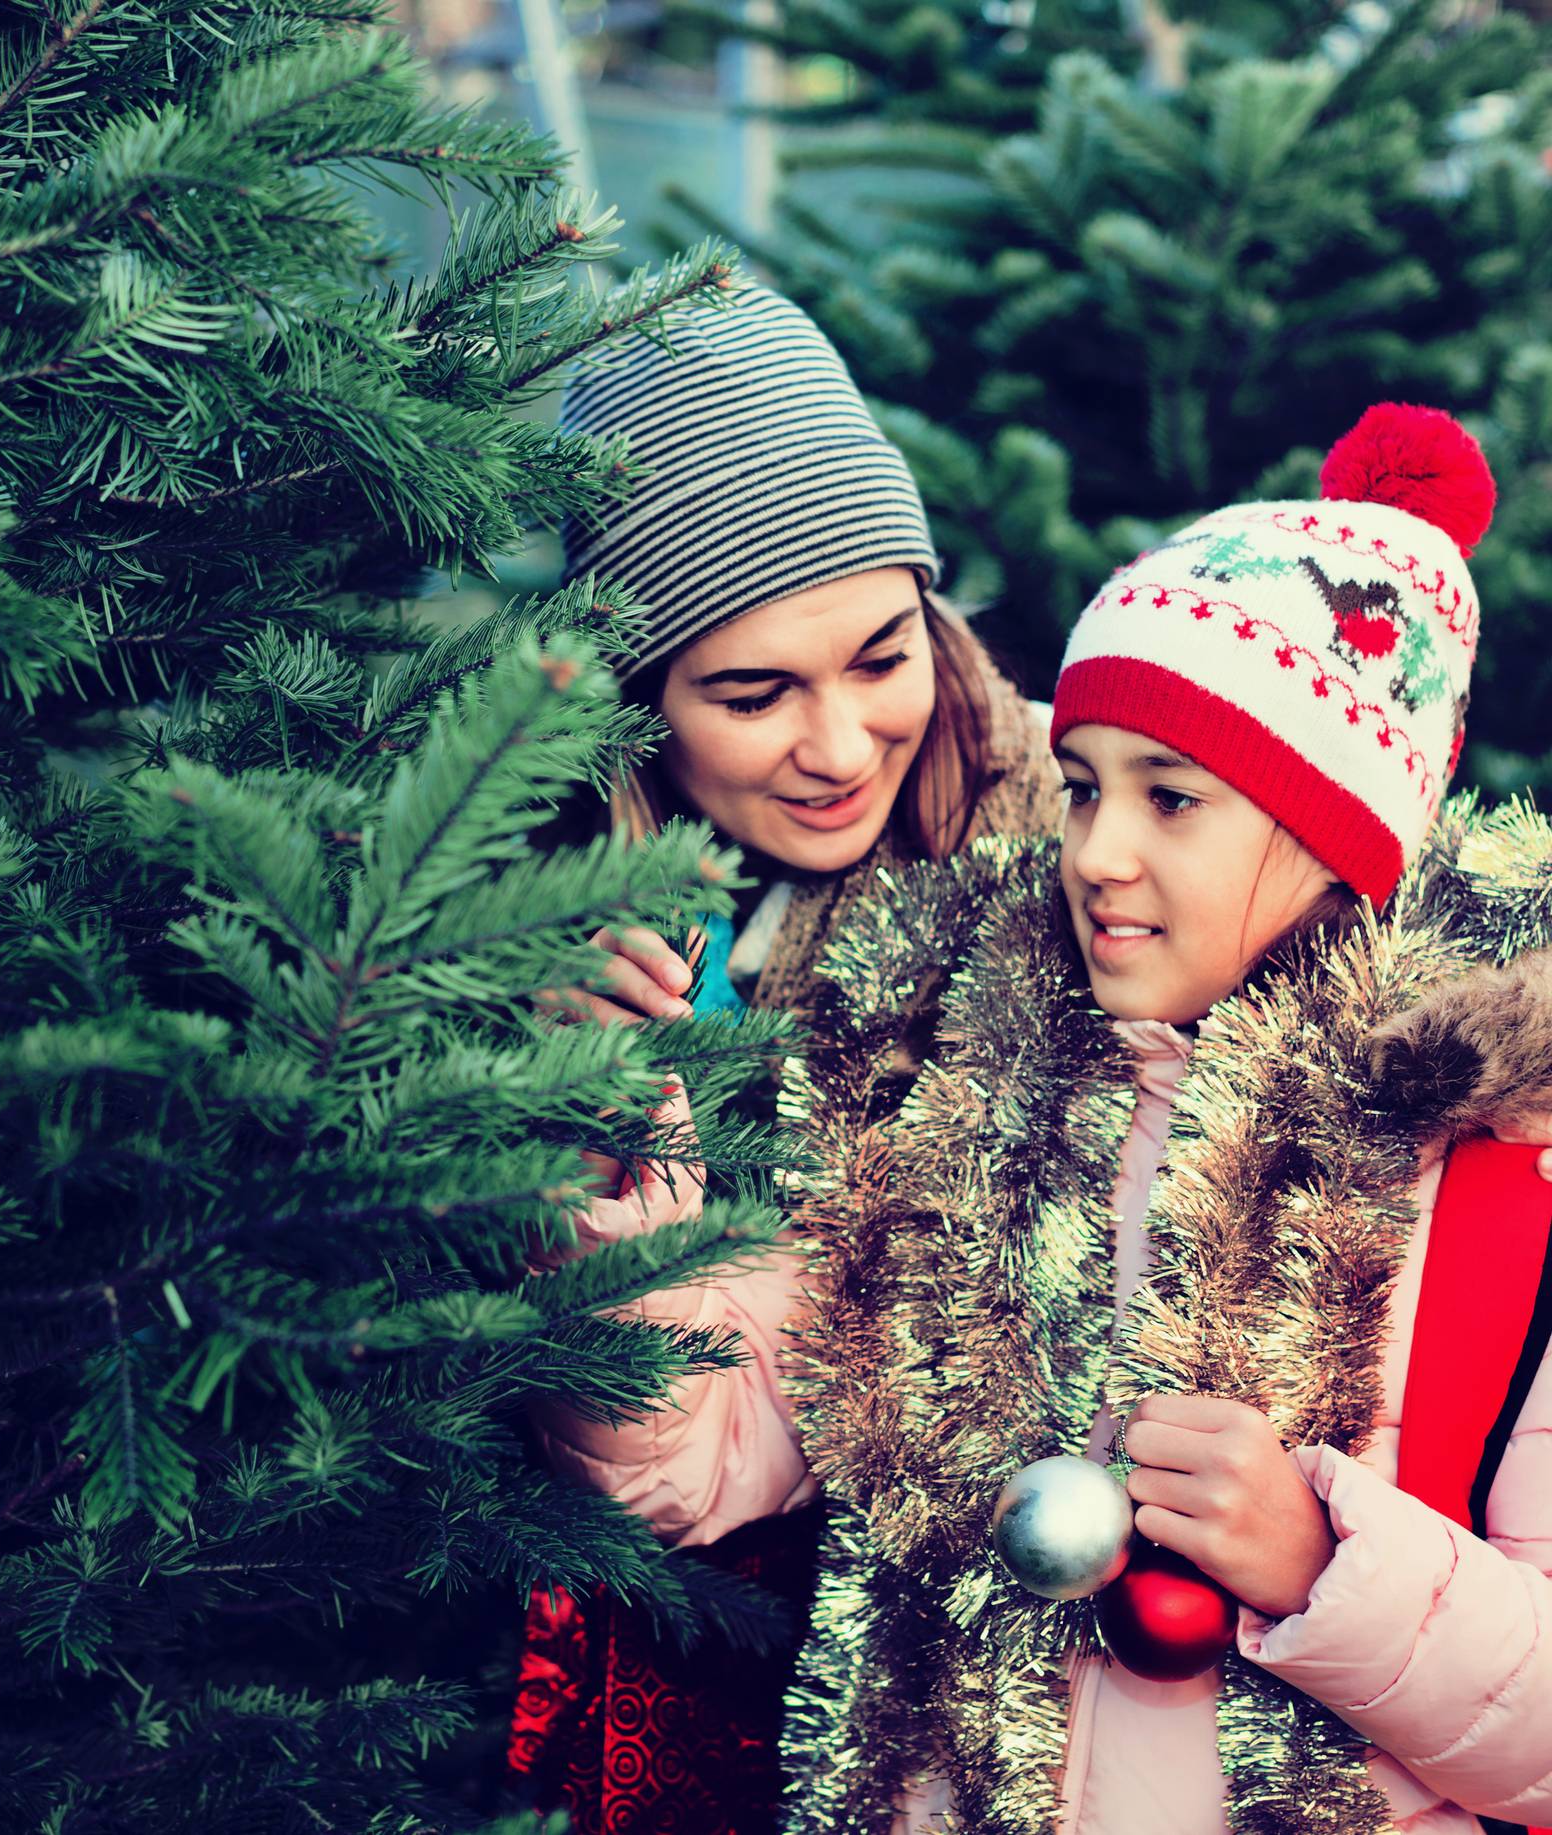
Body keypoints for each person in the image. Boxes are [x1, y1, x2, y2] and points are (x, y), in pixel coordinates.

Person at [528, 399, 1552, 1835]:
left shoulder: (1506, 1174)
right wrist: (608, 1176)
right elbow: (693, 1461)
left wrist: (1329, 1564)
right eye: (1079, 789)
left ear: (1336, 827)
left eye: (1172, 799)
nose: (1095, 854)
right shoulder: (960, 1088)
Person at [505, 282, 1065, 1833]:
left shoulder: (1068, 877)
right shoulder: (522, 920)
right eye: (754, 694)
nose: (837, 746)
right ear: (640, 702)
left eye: (879, 658)